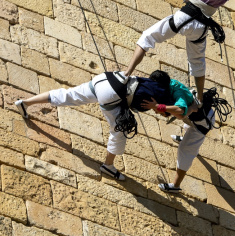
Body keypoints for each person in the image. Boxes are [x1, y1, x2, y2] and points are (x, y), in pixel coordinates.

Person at [14, 69, 198, 182]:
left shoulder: (167, 83)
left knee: (68, 95)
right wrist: (156, 107)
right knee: (119, 132)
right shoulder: (181, 97)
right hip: (112, 94)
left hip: (107, 79)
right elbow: (180, 111)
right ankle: (108, 166)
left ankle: (26, 102)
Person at [123, 0, 233, 102]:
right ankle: (200, 99)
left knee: (148, 36)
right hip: (201, 28)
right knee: (197, 62)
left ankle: (126, 74)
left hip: (184, 18)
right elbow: (206, 2)